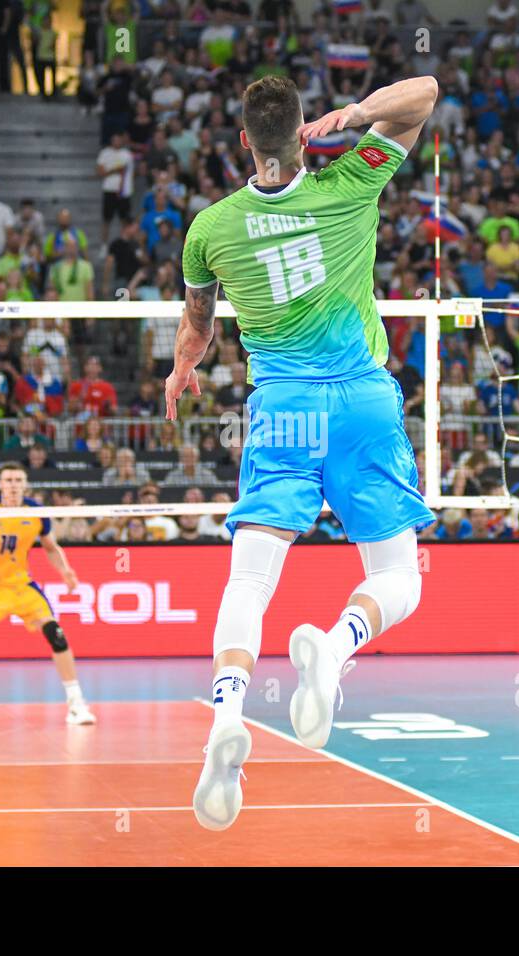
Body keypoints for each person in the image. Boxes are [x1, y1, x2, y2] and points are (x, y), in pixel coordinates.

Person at [168, 73, 438, 830]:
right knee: (397, 580)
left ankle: (228, 711)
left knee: (250, 581)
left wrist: (183, 365)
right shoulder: (354, 180)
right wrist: (354, 116)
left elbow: (197, 327)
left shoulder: (211, 227)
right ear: (304, 134)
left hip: (283, 408)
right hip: (362, 402)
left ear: (245, 141)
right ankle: (335, 640)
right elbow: (426, 91)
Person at [0, 461, 95, 726]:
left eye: (17, 480)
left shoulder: (36, 511)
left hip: (22, 588)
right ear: (0, 484)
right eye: (8, 480)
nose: (13, 485)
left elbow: (50, 547)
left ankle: (76, 703)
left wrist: (66, 570)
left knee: (56, 636)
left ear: (24, 484)